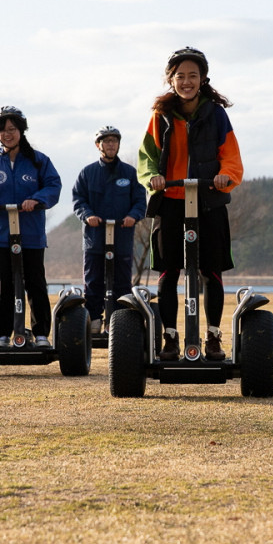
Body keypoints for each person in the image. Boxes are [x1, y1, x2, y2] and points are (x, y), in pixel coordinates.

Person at [137, 47, 244, 361]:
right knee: (169, 272)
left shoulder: (216, 114)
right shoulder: (161, 116)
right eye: (180, 76)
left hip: (209, 201)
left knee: (212, 272)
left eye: (192, 76)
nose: (186, 81)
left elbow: (232, 158)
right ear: (171, 80)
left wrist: (226, 176)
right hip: (170, 201)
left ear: (203, 79)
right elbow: (147, 159)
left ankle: (212, 336)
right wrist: (153, 177)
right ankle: (169, 337)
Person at [0, 106, 62, 347]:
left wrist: (37, 199)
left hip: (30, 233)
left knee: (35, 283)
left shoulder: (38, 160)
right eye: (2, 130)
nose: (7, 134)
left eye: (12, 129)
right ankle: (3, 334)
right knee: (4, 285)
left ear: (21, 130)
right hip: (0, 233)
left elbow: (53, 186)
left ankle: (41, 334)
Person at [72, 126, 146, 334]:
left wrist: (133, 216)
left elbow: (140, 201)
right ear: (99, 145)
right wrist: (88, 216)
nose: (111, 144)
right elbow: (78, 200)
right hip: (95, 239)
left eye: (114, 141)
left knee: (122, 283)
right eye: (106, 141)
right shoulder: (88, 173)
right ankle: (94, 319)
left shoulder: (130, 173)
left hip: (121, 238)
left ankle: (117, 322)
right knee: (93, 281)